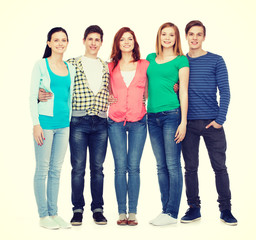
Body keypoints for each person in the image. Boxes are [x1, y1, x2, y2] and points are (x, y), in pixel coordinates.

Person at [38, 25, 109, 226]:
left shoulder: (106, 66)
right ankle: (77, 210)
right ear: (84, 41)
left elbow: (114, 88)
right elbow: (55, 84)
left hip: (101, 122)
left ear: (101, 42)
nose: (94, 43)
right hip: (77, 122)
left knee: (98, 168)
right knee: (77, 168)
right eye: (90, 39)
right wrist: (38, 95)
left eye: (97, 39)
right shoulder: (71, 64)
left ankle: (98, 209)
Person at [180, 20, 237, 226]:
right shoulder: (180, 62)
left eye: (199, 34)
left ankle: (226, 209)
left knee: (219, 167)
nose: (194, 38)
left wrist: (220, 120)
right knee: (190, 168)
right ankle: (194, 208)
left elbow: (226, 92)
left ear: (204, 37)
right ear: (186, 36)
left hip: (212, 124)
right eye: (191, 34)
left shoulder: (216, 60)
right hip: (188, 124)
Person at [30, 27, 76, 229]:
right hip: (45, 124)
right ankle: (43, 216)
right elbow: (33, 96)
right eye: (56, 40)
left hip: (64, 125)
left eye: (63, 40)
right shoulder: (40, 65)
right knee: (42, 169)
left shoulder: (69, 67)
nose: (60, 43)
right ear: (49, 43)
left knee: (56, 170)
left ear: (67, 43)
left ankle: (54, 212)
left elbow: (69, 95)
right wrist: (36, 124)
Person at [146, 22, 189, 226]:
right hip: (151, 117)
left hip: (172, 114)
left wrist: (183, 122)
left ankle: (172, 212)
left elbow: (183, 91)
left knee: (172, 164)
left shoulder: (181, 60)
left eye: (171, 35)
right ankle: (165, 210)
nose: (167, 38)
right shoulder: (150, 58)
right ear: (159, 36)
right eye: (164, 34)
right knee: (160, 165)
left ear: (176, 38)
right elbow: (143, 86)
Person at [108, 27, 148, 226]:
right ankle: (121, 212)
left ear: (135, 42)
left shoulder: (145, 64)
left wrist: (174, 87)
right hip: (115, 120)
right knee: (119, 167)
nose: (126, 42)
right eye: (122, 39)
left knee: (134, 167)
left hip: (138, 121)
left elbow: (152, 89)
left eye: (129, 38)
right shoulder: (109, 66)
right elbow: (102, 89)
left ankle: (132, 213)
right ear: (117, 43)